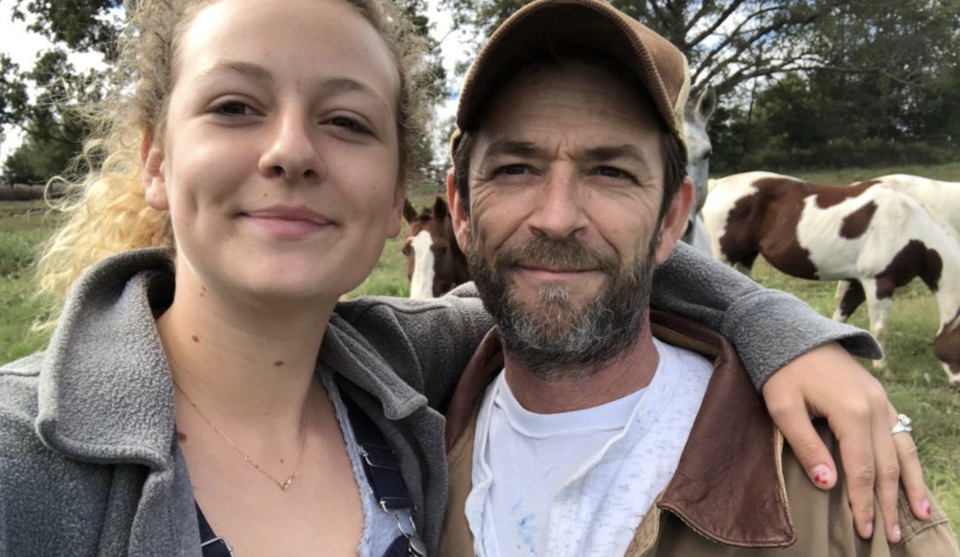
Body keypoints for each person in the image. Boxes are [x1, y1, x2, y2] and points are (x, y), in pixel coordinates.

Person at [0, 0, 934, 556]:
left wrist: (787, 334)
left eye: (347, 121)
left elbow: (583, 270)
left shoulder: (398, 376)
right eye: (236, 106)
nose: (290, 150)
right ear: (155, 158)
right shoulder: (21, 456)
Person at [436, 0, 960, 555]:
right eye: (515, 168)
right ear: (461, 211)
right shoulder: (396, 436)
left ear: (671, 220)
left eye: (611, 171)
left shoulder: (838, 483)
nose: (558, 217)